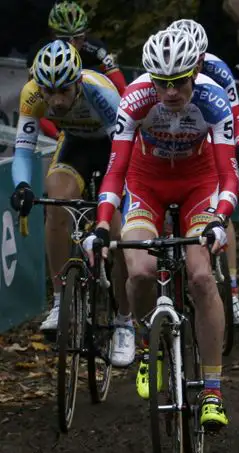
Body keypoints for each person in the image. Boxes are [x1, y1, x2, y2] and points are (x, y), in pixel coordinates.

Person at [88, 28, 237, 431]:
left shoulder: (213, 99)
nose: (169, 92)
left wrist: (220, 220)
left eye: (178, 82)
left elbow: (228, 174)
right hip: (146, 181)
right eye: (161, 83)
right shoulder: (135, 98)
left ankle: (211, 391)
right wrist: (103, 225)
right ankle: (146, 349)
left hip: (199, 182)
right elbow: (116, 169)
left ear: (195, 72)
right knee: (139, 271)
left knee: (203, 277)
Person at [9, 41, 134, 365]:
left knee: (120, 233)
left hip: (112, 148)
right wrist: (22, 186)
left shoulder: (101, 94)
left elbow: (124, 153)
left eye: (64, 90)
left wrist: (125, 203)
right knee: (55, 199)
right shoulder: (32, 94)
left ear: (78, 80)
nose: (56, 100)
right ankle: (60, 298)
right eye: (49, 92)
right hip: (76, 145)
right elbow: (23, 151)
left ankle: (125, 320)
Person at [169, 18, 239, 328]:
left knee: (222, 209)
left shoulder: (217, 70)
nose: (198, 64)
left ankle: (232, 291)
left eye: (201, 57)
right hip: (176, 139)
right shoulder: (167, 73)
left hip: (210, 132)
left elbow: (236, 117)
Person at [33, 1, 127, 94]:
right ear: (53, 36)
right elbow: (33, 90)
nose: (72, 44)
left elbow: (119, 85)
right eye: (65, 38)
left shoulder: (95, 47)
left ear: (85, 34)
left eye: (78, 37)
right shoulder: (40, 50)